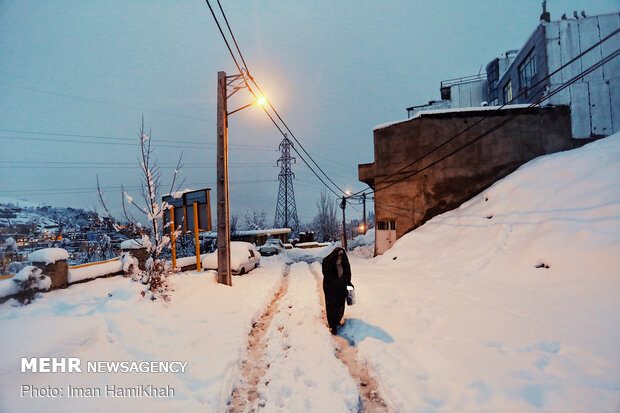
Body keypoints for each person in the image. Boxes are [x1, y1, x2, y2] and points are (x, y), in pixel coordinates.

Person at [322, 247, 353, 335]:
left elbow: (348, 273)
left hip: (341, 287)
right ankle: (333, 325)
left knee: (340, 304)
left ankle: (337, 320)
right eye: (338, 256)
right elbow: (327, 275)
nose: (340, 258)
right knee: (331, 306)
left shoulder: (344, 263)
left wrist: (346, 282)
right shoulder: (327, 261)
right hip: (330, 288)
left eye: (341, 256)